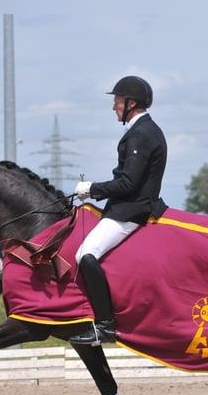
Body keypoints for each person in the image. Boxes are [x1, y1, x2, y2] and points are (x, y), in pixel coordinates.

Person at [70, 75, 168, 345]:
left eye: (117, 101)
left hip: (131, 211)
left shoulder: (142, 133)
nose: (114, 107)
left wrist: (93, 189)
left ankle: (105, 325)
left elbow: (128, 182)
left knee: (85, 254)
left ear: (131, 103)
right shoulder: (140, 131)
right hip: (125, 206)